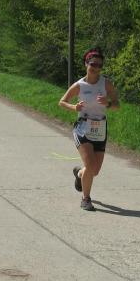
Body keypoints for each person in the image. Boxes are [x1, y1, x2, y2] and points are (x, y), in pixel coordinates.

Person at [58, 48, 119, 211]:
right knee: (90, 166)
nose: (96, 68)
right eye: (93, 64)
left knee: (94, 171)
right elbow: (62, 101)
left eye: (99, 65)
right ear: (86, 64)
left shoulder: (106, 84)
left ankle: (80, 174)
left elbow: (117, 105)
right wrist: (74, 107)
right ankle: (86, 199)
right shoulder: (80, 85)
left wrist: (108, 103)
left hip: (100, 128)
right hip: (83, 127)